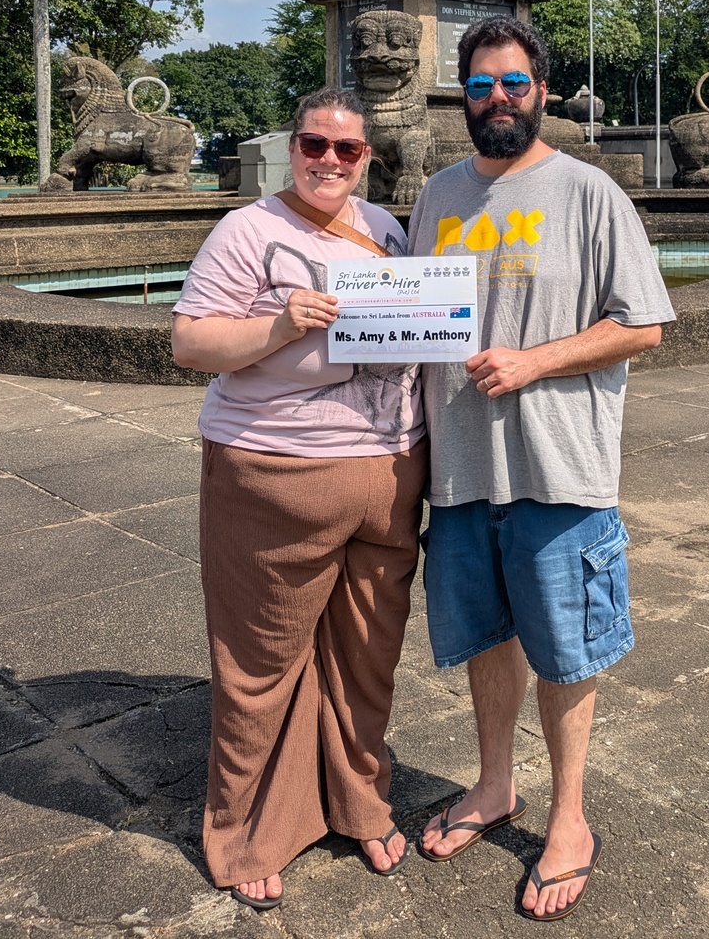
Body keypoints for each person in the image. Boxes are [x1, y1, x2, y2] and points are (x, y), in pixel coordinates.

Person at [407, 18, 675, 921]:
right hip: (459, 466)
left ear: (542, 93)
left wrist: (533, 361)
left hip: (559, 465)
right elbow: (409, 315)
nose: (498, 100)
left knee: (566, 647)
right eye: (481, 86)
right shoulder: (438, 194)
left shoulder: (590, 192)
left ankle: (570, 818)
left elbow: (642, 324)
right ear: (463, 96)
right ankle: (494, 786)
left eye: (514, 84)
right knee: (487, 635)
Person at [171, 89, 425, 911]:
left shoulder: (386, 230)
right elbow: (190, 341)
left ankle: (360, 801)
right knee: (261, 664)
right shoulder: (247, 230)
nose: (329, 160)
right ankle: (246, 830)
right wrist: (278, 327)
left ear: (366, 158)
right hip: (275, 474)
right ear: (293, 147)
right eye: (315, 144)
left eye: (347, 149)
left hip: (389, 475)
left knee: (367, 658)